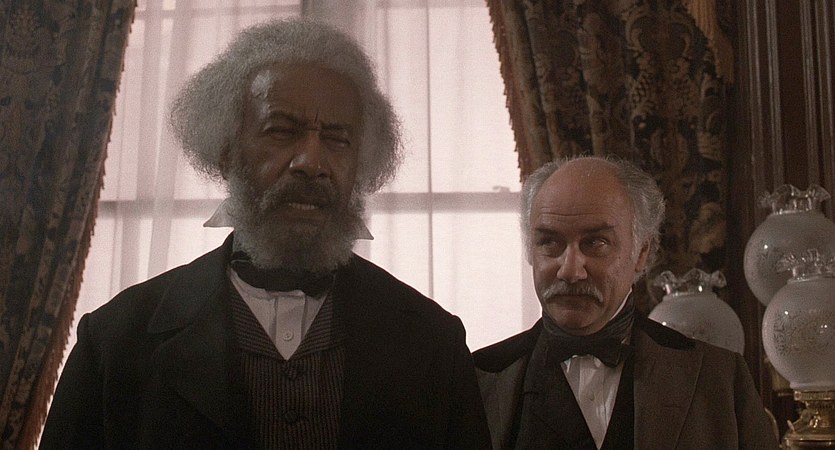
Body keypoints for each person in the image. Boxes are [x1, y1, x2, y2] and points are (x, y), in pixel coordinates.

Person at [41, 18, 490, 449]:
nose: (311, 162)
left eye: (337, 139)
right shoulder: (115, 343)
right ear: (226, 150)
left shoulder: (434, 343)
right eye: (281, 131)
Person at [473, 156, 778, 449]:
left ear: (641, 253)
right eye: (549, 242)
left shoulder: (719, 379)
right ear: (530, 250)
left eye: (596, 243)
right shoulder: (477, 379)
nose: (570, 270)